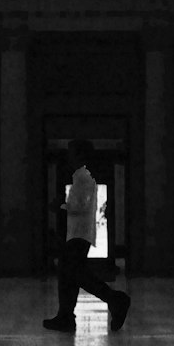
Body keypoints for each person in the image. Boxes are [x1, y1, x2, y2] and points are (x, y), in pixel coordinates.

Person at [43, 140, 130, 333]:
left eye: (72, 153)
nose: (69, 157)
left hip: (77, 234)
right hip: (79, 233)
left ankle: (114, 299)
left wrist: (60, 205)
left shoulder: (82, 180)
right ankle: (66, 315)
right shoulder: (82, 178)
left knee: (76, 273)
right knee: (71, 273)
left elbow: (79, 208)